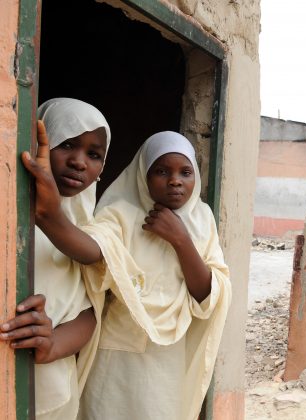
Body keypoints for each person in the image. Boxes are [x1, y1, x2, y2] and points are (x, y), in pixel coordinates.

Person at [24, 130, 231, 419]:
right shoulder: (121, 214)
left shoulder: (202, 220)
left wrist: (181, 240)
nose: (175, 180)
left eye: (186, 172)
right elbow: (93, 250)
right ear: (142, 175)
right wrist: (50, 215)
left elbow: (210, 294)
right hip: (115, 358)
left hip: (167, 359)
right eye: (161, 171)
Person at [1, 98, 110, 419]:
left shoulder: (93, 228)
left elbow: (92, 313)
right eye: (66, 144)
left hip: (54, 392)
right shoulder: (11, 215)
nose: (79, 161)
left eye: (94, 154)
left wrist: (52, 344)